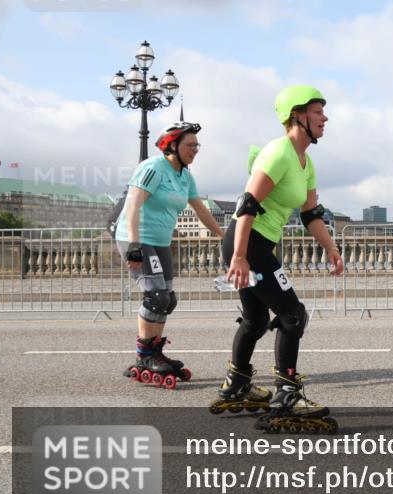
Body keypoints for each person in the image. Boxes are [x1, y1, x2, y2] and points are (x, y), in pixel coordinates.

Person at [212, 85, 343, 433]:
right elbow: (246, 205)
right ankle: (287, 393)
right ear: (297, 115)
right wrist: (239, 257)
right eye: (318, 112)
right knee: (292, 314)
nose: (325, 117)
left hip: (257, 247)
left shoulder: (305, 161)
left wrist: (331, 248)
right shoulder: (278, 152)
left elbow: (311, 213)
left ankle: (237, 383)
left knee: (255, 319)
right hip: (248, 245)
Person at [115, 121, 224, 388]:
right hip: (137, 238)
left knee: (168, 300)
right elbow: (133, 204)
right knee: (155, 296)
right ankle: (144, 356)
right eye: (190, 145)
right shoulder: (154, 168)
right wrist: (135, 245)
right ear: (172, 146)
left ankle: (154, 352)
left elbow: (201, 211)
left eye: (197, 145)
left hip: (162, 241)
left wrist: (226, 238)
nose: (195, 150)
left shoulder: (185, 176)